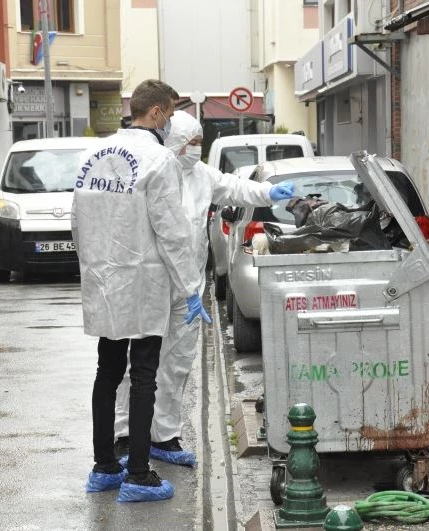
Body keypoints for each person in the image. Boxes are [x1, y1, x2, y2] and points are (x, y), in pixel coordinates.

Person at [113, 111, 295, 466]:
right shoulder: (150, 173)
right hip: (149, 284)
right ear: (174, 143)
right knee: (135, 365)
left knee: (177, 363)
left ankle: (164, 437)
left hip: (189, 289)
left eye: (200, 142)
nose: (196, 149)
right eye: (190, 142)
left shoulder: (201, 176)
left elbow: (235, 187)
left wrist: (269, 191)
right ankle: (125, 436)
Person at [72, 80, 210, 503]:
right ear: (155, 113)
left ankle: (103, 467)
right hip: (144, 280)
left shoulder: (91, 154)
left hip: (104, 280)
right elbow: (171, 231)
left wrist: (93, 268)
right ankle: (138, 474)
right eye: (169, 114)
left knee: (107, 371)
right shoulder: (159, 159)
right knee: (144, 374)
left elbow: (78, 222)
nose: (170, 122)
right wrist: (190, 287)